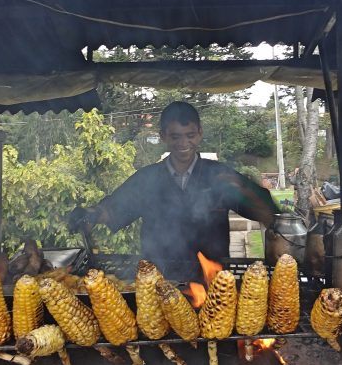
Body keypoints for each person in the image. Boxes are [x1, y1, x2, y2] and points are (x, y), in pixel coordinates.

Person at [68, 101, 279, 282]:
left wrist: (244, 191)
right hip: (158, 280)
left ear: (200, 134)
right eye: (175, 136)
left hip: (212, 281)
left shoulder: (218, 175)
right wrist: (90, 214)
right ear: (163, 136)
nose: (183, 143)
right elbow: (113, 209)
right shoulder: (146, 179)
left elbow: (268, 211)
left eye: (190, 135)